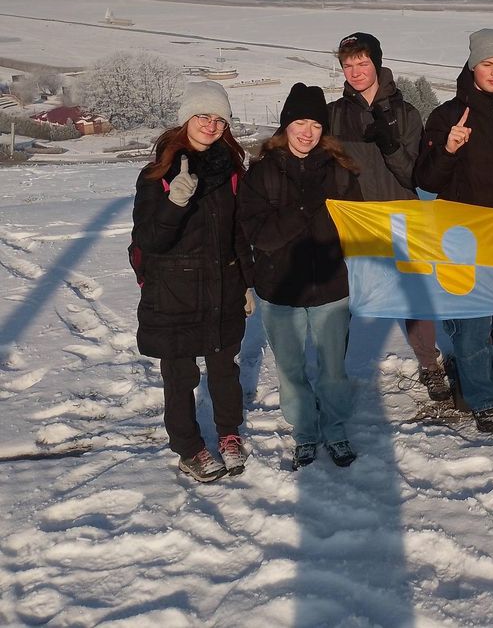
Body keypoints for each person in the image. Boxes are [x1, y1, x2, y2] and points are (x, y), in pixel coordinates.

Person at [132, 81, 253, 482]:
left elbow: (239, 232)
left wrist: (247, 283)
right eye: (203, 115)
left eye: (219, 119)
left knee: (224, 369)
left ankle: (229, 433)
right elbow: (149, 240)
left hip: (222, 285)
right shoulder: (157, 175)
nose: (211, 124)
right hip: (174, 291)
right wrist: (174, 202)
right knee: (181, 376)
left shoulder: (232, 172)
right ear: (186, 118)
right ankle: (188, 448)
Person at [237, 83, 363, 470]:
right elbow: (259, 234)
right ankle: (305, 433)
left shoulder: (340, 171)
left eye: (315, 124)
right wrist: (304, 209)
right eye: (299, 123)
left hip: (331, 288)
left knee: (334, 369)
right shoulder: (261, 174)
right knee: (291, 371)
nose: (307, 132)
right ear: (285, 126)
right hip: (281, 290)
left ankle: (336, 430)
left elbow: (355, 228)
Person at [415, 28, 493, 434]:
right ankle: (483, 400)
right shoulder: (447, 117)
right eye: (487, 64)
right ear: (472, 66)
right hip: (463, 242)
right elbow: (427, 181)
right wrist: (448, 149)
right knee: (472, 326)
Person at [327, 31, 451, 404]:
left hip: (401, 216)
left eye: (362, 63)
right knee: (341, 299)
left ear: (377, 63)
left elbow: (417, 175)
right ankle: (334, 374)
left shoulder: (406, 114)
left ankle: (430, 364)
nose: (355, 71)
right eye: (348, 65)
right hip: (354, 220)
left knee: (414, 297)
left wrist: (390, 145)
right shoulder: (333, 114)